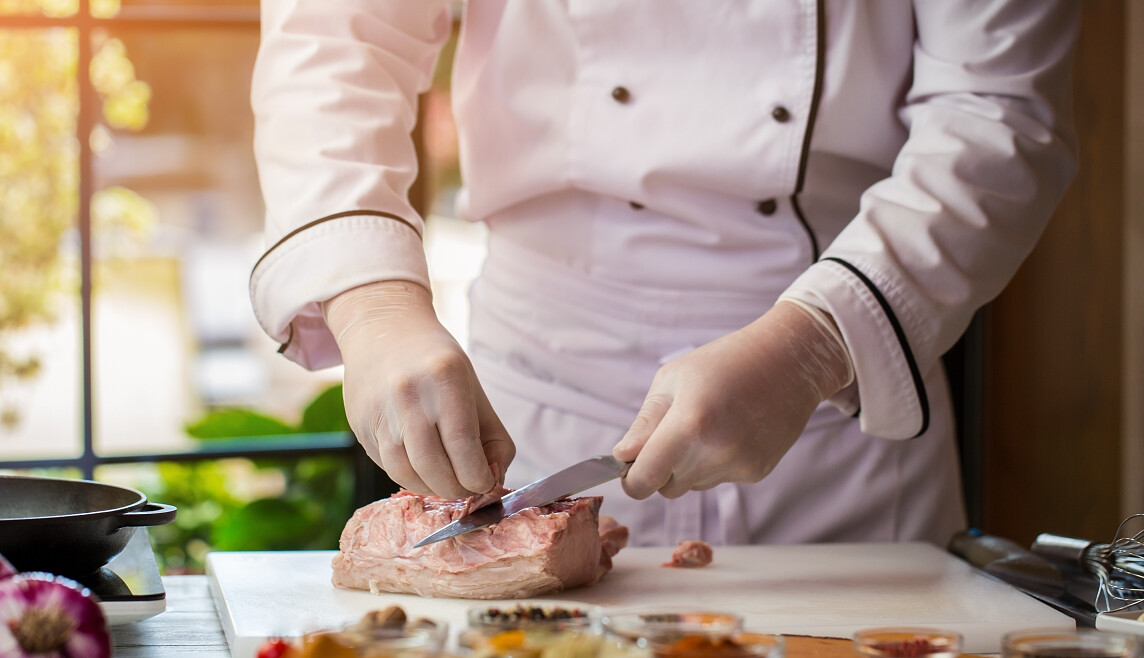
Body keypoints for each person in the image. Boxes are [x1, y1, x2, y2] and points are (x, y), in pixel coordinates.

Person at [248, 1, 1078, 547]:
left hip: (841, 417)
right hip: (538, 408)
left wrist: (812, 347)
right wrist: (374, 305)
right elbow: (337, 37)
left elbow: (1000, 113)